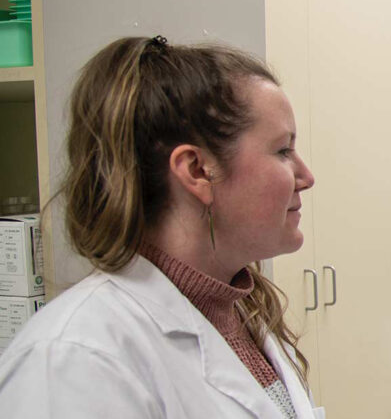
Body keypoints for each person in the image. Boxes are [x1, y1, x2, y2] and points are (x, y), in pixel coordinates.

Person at [0, 36, 319, 418]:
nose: (306, 176)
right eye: (283, 150)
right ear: (198, 170)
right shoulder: (75, 356)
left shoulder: (243, 318)